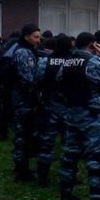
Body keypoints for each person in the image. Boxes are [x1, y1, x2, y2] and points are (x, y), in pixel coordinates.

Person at [58, 32, 100, 200]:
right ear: (93, 45)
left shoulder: (67, 62)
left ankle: (66, 194)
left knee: (70, 155)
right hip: (92, 114)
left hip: (72, 113)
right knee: (94, 157)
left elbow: (59, 82)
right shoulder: (92, 63)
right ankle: (96, 199)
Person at [35, 34, 72, 187]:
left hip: (50, 106)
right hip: (69, 108)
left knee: (46, 143)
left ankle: (42, 175)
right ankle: (68, 176)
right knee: (69, 144)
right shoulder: (74, 61)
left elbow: (37, 79)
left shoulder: (46, 61)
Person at [11, 24, 42, 182]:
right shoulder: (23, 53)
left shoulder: (30, 51)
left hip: (27, 99)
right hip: (24, 100)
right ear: (26, 36)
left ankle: (22, 166)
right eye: (35, 37)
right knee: (23, 134)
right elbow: (27, 78)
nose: (38, 40)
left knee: (26, 134)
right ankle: (21, 170)